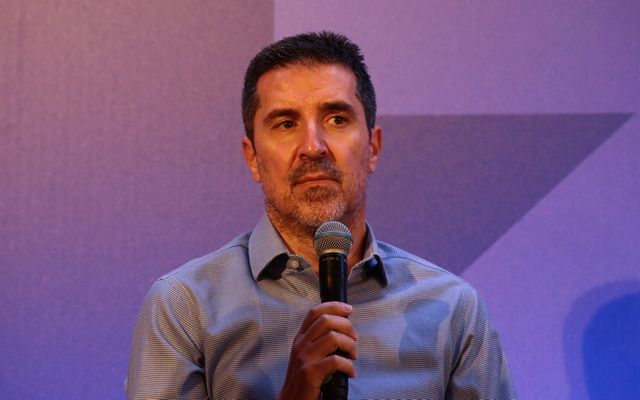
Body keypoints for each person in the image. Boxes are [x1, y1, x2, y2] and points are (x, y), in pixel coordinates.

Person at [127, 31, 516, 399]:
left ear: (373, 148)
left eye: (336, 119)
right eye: (286, 124)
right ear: (253, 158)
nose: (313, 146)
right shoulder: (186, 306)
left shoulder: (453, 309)